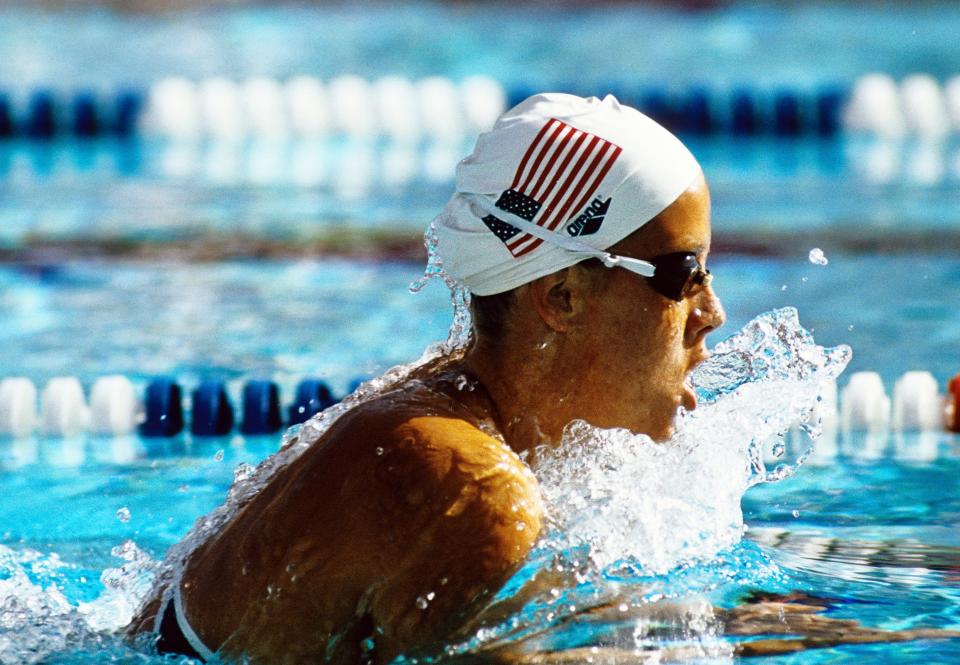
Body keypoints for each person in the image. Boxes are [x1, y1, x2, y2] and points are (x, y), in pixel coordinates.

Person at [127, 93, 951, 663]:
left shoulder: (451, 406)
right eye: (681, 274)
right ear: (560, 294)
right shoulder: (471, 490)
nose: (713, 312)